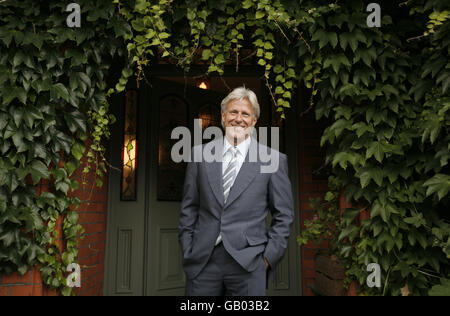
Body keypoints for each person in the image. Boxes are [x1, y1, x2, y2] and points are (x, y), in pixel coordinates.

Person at [178, 86, 294, 296]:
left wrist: (266, 260)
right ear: (223, 116)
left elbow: (284, 216)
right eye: (233, 112)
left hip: (249, 264)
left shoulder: (274, 160)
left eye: (245, 114)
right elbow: (189, 208)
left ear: (254, 121)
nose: (238, 118)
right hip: (203, 261)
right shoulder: (199, 155)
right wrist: (188, 250)